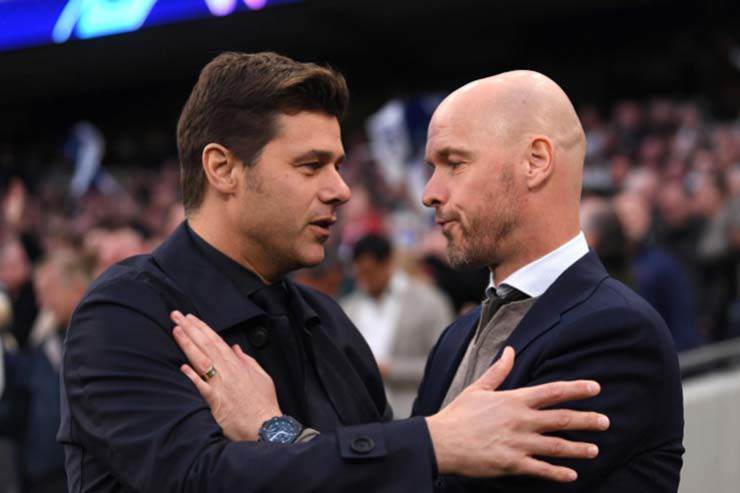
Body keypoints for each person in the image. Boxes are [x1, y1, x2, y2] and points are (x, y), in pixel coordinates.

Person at [60, 53, 608, 493]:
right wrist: (431, 443)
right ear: (223, 169)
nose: (340, 190)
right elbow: (197, 479)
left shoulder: (330, 324)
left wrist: (271, 431)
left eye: (338, 165)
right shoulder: (126, 315)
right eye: (311, 166)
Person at [175, 70, 684, 492]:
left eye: (453, 163)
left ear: (536, 162)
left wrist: (274, 432)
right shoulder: (454, 340)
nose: (429, 193)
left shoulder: (614, 332)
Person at [341, 233, 454, 416]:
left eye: (370, 272)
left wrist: (389, 369)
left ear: (387, 264)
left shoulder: (429, 302)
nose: (365, 279)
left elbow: (445, 364)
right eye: (359, 273)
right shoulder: (349, 307)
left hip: (412, 410)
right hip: (361, 414)